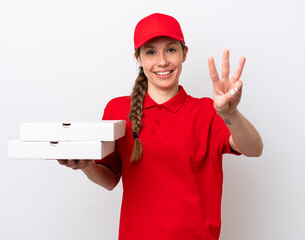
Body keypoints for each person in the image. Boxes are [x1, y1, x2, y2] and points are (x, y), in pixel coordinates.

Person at [58, 13, 263, 240]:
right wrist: (87, 166)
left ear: (184, 54)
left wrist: (230, 113)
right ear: (139, 58)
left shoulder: (208, 111)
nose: (162, 61)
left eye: (171, 50)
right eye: (151, 52)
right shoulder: (116, 110)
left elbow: (254, 149)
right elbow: (110, 179)